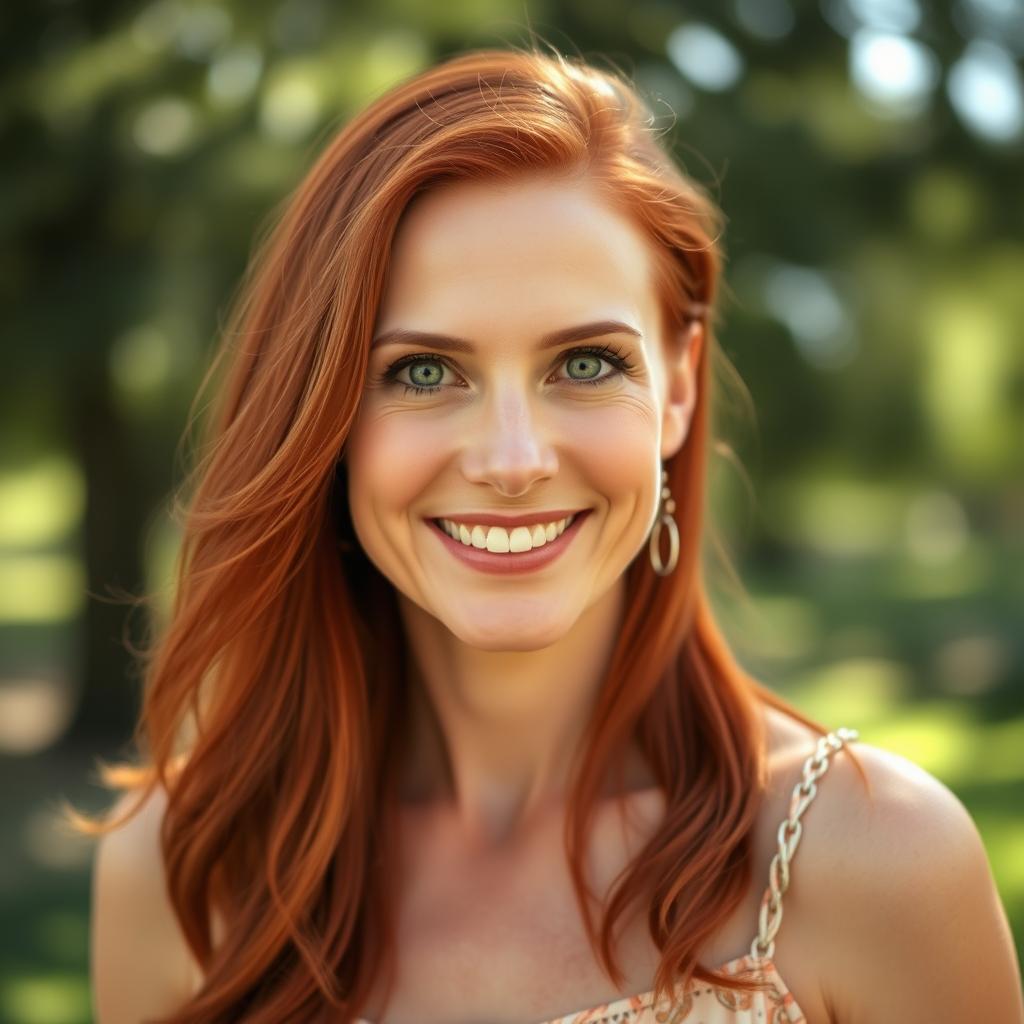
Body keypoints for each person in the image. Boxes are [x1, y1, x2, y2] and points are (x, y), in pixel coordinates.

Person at [75, 44, 1023, 1024]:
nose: (513, 458)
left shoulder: (875, 860)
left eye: (583, 362)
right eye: (422, 372)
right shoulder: (184, 868)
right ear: (328, 419)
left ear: (679, 387)